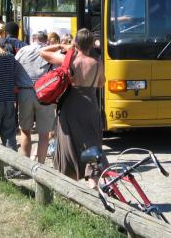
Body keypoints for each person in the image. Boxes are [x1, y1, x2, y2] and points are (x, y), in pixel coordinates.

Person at [40, 28, 107, 188]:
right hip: (90, 106)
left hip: (70, 106)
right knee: (92, 143)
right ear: (91, 44)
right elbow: (101, 82)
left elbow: (42, 52)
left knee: (68, 143)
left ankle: (68, 183)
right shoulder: (98, 62)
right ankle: (94, 184)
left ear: (76, 42)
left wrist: (63, 46)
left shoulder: (68, 60)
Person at [15, 30, 55, 163]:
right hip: (45, 93)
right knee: (44, 134)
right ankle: (41, 165)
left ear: (33, 39)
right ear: (46, 40)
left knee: (25, 130)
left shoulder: (22, 51)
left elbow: (14, 68)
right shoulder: (49, 51)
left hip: (25, 92)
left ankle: (25, 163)